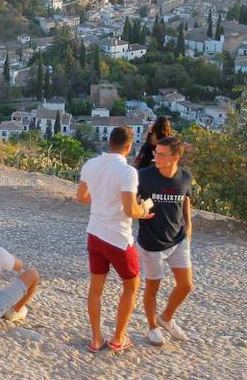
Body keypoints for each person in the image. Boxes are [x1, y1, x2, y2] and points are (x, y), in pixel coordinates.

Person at [76, 126, 155, 353]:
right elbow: (130, 210)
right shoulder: (128, 172)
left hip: (95, 234)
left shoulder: (90, 165)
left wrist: (101, 196)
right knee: (131, 285)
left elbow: (81, 197)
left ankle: (95, 338)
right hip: (118, 238)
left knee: (95, 289)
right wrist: (143, 211)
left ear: (109, 142)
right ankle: (119, 337)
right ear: (129, 147)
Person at [137, 136, 194, 346]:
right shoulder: (143, 176)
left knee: (186, 285)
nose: (156, 157)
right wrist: (138, 212)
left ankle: (166, 318)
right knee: (153, 288)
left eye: (162, 154)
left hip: (178, 240)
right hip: (151, 242)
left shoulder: (185, 177)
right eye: (156, 153)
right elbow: (130, 202)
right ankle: (152, 327)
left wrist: (189, 228)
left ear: (176, 157)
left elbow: (185, 202)